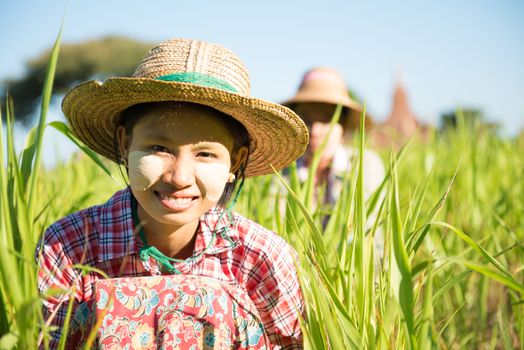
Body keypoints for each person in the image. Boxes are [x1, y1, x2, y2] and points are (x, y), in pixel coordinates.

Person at [36, 38, 308, 349]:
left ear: (237, 161)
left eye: (205, 154)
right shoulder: (69, 248)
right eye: (158, 148)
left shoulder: (260, 258)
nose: (179, 177)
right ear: (125, 145)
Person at [283, 67, 385, 232]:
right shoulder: (283, 171)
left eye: (326, 120)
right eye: (306, 120)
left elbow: (364, 229)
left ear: (342, 126)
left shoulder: (364, 165)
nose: (314, 130)